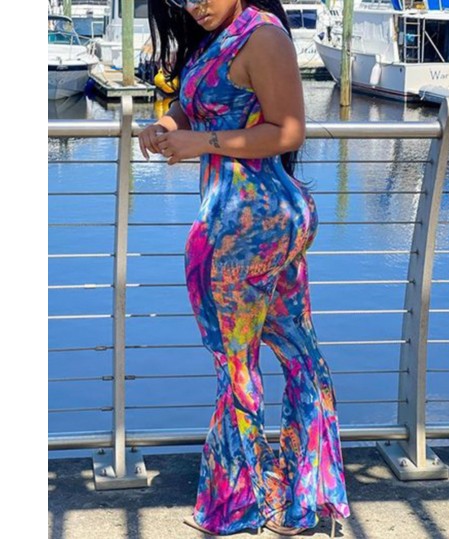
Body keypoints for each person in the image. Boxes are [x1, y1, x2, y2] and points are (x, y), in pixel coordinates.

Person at [139, 0, 351, 536]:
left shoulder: (263, 36)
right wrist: (168, 122)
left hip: (243, 225)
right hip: (262, 221)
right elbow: (202, 101)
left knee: (237, 364)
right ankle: (302, 499)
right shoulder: (222, 34)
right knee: (297, 353)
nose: (195, 5)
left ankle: (243, 503)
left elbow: (288, 131)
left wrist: (198, 143)